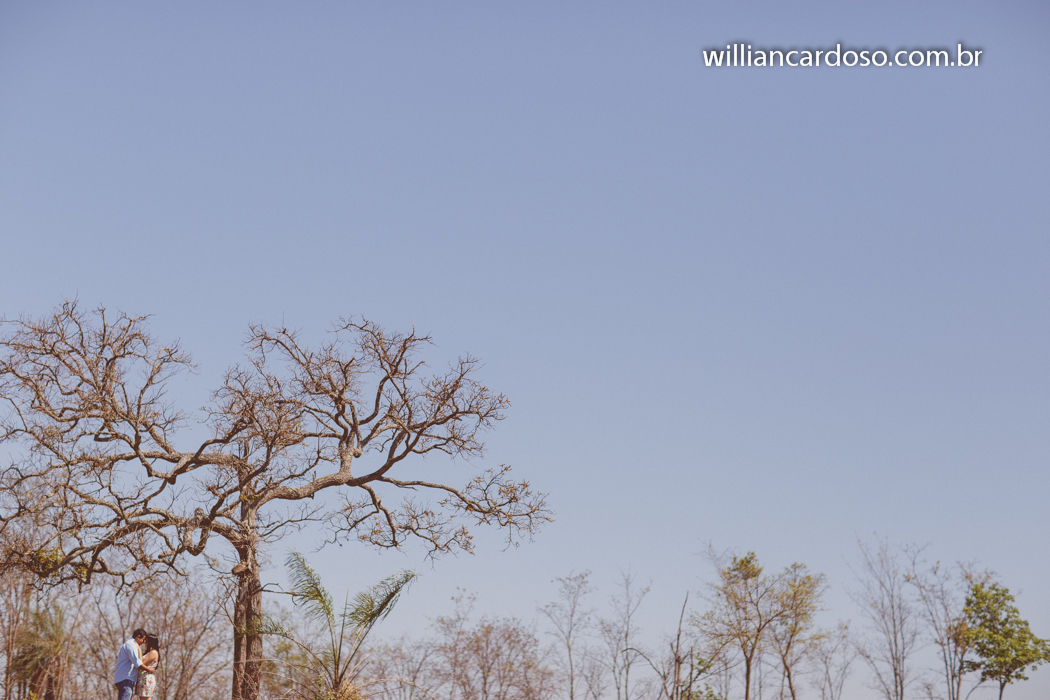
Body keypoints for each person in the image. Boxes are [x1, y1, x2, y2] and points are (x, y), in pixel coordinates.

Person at [114, 628, 146, 700]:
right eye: (143, 639)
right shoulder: (131, 645)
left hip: (125, 679)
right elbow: (137, 662)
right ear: (138, 637)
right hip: (126, 679)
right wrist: (149, 669)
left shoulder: (130, 644)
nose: (143, 642)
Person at [134, 633, 160, 699]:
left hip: (146, 679)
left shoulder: (153, 652)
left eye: (146, 641)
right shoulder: (150, 652)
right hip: (143, 678)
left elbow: (141, 663)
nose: (145, 643)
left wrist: (139, 650)